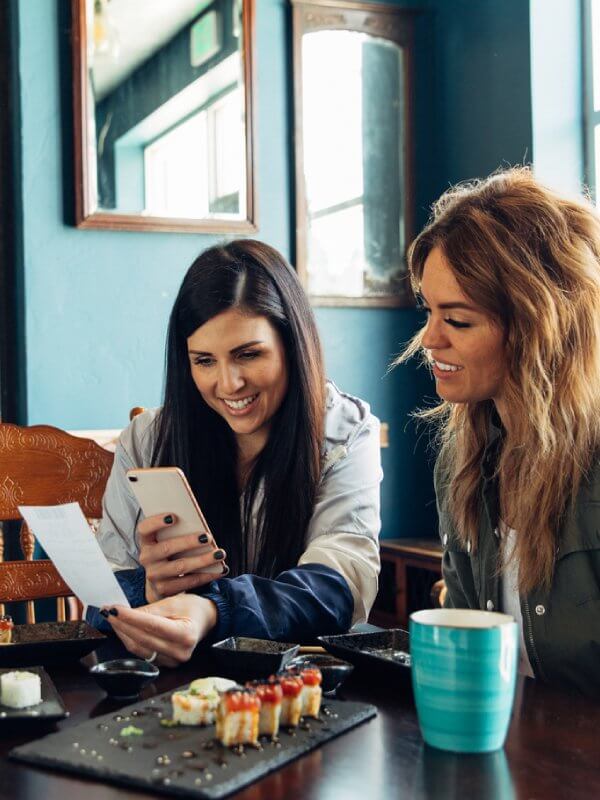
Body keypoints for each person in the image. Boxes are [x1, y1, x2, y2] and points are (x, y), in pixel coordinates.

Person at [87, 239, 382, 667]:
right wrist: (149, 593)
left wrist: (212, 609)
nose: (229, 385)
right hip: (176, 691)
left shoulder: (345, 431)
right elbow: (103, 604)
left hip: (301, 684)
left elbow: (338, 586)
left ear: (292, 344)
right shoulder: (147, 438)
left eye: (248, 355)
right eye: (204, 361)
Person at [397, 168, 600, 695]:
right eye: (430, 312)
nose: (429, 339)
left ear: (538, 326)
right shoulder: (462, 460)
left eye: (458, 321)